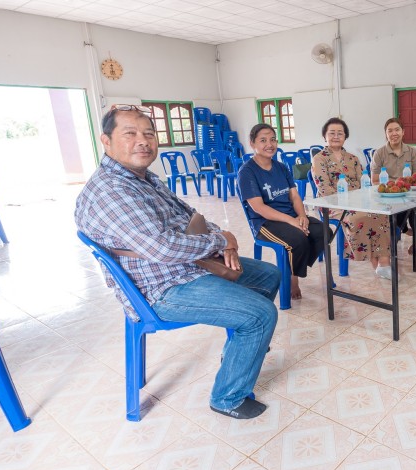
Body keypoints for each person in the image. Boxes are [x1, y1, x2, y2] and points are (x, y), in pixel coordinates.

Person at [75, 105, 280, 420]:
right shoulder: (112, 190)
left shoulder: (144, 179)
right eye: (130, 134)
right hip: (159, 287)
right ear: (106, 141)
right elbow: (161, 248)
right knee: (261, 314)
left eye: (149, 133)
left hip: (188, 264)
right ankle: (227, 397)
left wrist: (219, 235)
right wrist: (220, 240)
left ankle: (241, 347)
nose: (142, 141)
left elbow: (189, 216)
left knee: (268, 275)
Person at [239, 123, 329, 300]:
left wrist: (302, 216)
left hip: (291, 216)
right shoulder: (247, 172)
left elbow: (295, 196)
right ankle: (292, 279)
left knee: (323, 230)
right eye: (263, 140)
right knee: (298, 239)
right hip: (265, 222)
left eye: (273, 139)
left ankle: (294, 266)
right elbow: (259, 208)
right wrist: (291, 221)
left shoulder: (281, 167)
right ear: (252, 144)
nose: (269, 144)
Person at [312, 117, 393, 278]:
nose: (336, 136)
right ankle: (376, 262)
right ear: (324, 136)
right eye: (332, 133)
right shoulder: (319, 158)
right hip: (331, 203)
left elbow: (363, 183)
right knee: (360, 217)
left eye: (340, 133)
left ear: (345, 136)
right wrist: (351, 197)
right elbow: (325, 188)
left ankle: (384, 261)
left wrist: (358, 198)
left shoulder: (353, 159)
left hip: (357, 201)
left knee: (382, 213)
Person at [370, 118, 416, 254]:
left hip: (409, 192)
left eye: (397, 130)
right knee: (393, 210)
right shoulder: (379, 153)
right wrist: (390, 188)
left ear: (403, 132)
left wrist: (408, 185)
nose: (394, 133)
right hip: (388, 194)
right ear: (386, 134)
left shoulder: (412, 151)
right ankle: (404, 229)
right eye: (390, 131)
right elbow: (375, 180)